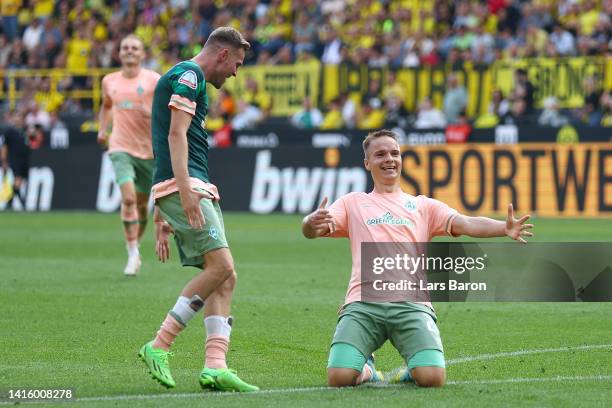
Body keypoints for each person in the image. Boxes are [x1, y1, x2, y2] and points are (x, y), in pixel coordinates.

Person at [302, 129, 533, 388]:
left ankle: (409, 371)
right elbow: (315, 229)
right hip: (363, 303)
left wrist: (504, 228)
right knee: (339, 378)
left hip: (412, 304)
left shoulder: (423, 206)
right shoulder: (352, 203)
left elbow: (465, 222)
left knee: (433, 378)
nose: (389, 159)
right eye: (380, 154)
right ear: (368, 163)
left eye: (395, 153)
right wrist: (309, 222)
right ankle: (367, 368)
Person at [139, 26, 258, 393]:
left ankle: (215, 366)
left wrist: (163, 212)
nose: (235, 72)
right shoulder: (190, 76)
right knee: (222, 267)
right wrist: (184, 190)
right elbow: (175, 134)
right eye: (236, 63)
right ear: (222, 54)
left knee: (226, 275)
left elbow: (162, 136)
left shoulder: (187, 78)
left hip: (191, 184)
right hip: (187, 183)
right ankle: (158, 345)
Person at [97, 34, 161, 276]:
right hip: (120, 146)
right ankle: (132, 251)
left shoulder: (153, 80)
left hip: (148, 151)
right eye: (125, 47)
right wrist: (103, 129)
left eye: (134, 47)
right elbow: (106, 106)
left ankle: (136, 245)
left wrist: (151, 113)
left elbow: (165, 109)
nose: (130, 51)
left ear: (143, 54)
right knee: (129, 199)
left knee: (143, 206)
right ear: (119, 53)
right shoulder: (109, 81)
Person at [0, 111, 31, 209]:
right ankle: (21, 202)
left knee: (20, 181)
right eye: (16, 117)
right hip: (14, 159)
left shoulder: (25, 131)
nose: (18, 119)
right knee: (17, 179)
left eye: (20, 117)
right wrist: (4, 160)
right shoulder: (9, 131)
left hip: (24, 159)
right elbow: (4, 146)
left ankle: (10, 201)